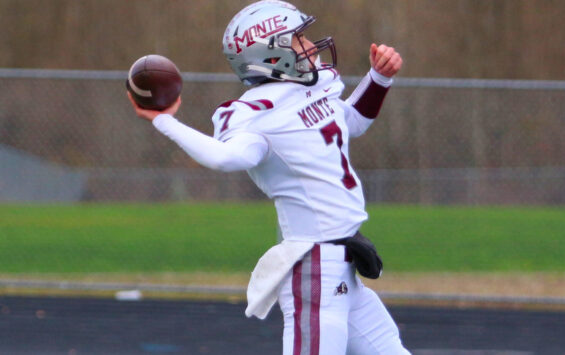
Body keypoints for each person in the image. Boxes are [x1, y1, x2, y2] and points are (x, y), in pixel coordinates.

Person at [128, 1, 408, 354]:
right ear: (272, 56)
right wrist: (163, 120)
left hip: (345, 266)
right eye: (297, 39)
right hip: (316, 269)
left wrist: (379, 78)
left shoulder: (312, 86)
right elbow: (224, 157)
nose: (309, 45)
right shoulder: (255, 112)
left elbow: (349, 123)